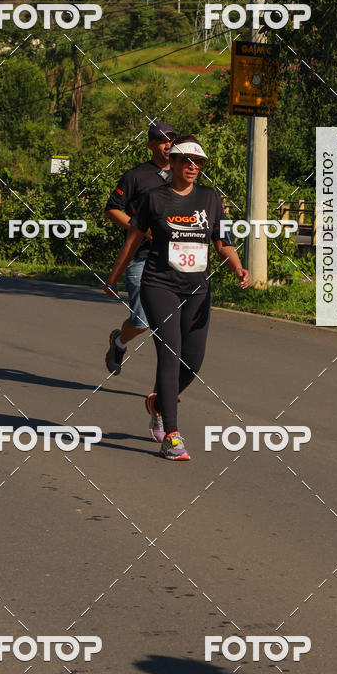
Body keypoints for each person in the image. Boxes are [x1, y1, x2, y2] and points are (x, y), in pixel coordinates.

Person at [104, 135, 249, 461]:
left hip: (197, 289)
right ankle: (171, 435)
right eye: (187, 161)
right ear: (176, 162)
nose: (193, 167)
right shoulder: (154, 199)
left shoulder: (210, 199)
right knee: (170, 354)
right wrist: (114, 278)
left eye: (199, 163)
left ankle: (158, 403)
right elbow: (132, 241)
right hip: (160, 286)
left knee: (193, 362)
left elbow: (222, 241)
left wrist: (238, 267)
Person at [104, 122, 176, 376]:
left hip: (176, 260)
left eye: (171, 139)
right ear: (150, 145)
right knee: (142, 321)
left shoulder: (184, 173)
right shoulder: (136, 176)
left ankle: (169, 383)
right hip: (142, 257)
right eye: (161, 140)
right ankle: (119, 341)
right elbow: (112, 208)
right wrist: (141, 229)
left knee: (173, 326)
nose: (168, 144)